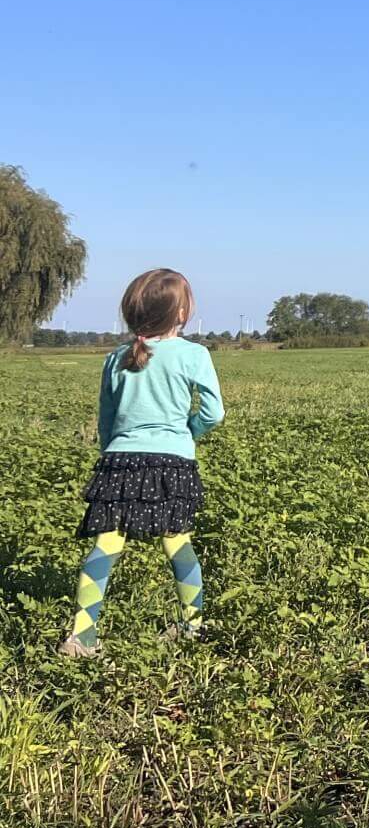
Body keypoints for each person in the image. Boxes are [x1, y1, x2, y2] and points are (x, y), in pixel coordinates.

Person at [59, 268, 221, 657]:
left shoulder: (116, 358)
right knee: (177, 542)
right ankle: (192, 626)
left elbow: (106, 418)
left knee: (107, 544)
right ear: (181, 313)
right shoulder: (195, 354)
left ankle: (82, 636)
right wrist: (187, 434)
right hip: (172, 463)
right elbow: (213, 413)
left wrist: (111, 450)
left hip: (120, 461)